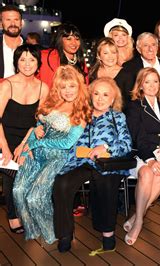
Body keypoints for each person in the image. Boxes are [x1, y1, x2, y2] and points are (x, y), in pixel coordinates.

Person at [12, 65, 90, 244]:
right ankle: (32, 231)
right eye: (63, 87)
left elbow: (67, 143)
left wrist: (39, 142)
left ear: (79, 86)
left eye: (72, 86)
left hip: (56, 157)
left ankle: (51, 233)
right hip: (34, 151)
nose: (68, 91)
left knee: (35, 197)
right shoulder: (53, 102)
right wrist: (29, 144)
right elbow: (38, 127)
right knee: (18, 191)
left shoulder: (81, 111)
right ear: (58, 88)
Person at [53, 77, 132, 253]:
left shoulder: (117, 117)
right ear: (90, 95)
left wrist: (105, 148)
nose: (100, 98)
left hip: (108, 162)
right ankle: (64, 234)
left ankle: (108, 234)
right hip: (81, 162)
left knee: (105, 183)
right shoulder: (81, 115)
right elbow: (68, 142)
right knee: (62, 183)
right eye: (96, 93)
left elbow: (126, 144)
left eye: (105, 94)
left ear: (112, 99)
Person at [0, 44, 48, 235]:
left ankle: (28, 212)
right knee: (11, 168)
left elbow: (39, 122)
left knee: (29, 166)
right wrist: (5, 148)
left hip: (28, 138)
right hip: (3, 136)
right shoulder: (7, 85)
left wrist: (26, 145)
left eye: (32, 59)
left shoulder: (43, 88)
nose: (27, 64)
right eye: (22, 59)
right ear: (16, 63)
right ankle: (14, 216)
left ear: (38, 64)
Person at [124, 67, 160, 245]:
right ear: (140, 85)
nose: (152, 85)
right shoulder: (134, 106)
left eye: (155, 81)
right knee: (147, 173)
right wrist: (150, 160)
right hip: (139, 153)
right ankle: (139, 222)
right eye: (147, 81)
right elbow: (137, 136)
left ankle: (137, 216)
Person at [88, 37, 133, 109]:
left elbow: (131, 103)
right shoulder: (92, 73)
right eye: (106, 53)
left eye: (113, 52)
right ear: (99, 56)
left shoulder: (126, 75)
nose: (110, 56)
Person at [38, 23, 88, 87]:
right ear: (60, 40)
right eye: (69, 39)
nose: (74, 43)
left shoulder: (80, 60)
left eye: (77, 39)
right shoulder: (46, 56)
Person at [0, 5, 24, 79]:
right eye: (8, 20)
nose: (13, 24)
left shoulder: (32, 49)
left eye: (16, 20)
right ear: (1, 24)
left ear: (21, 23)